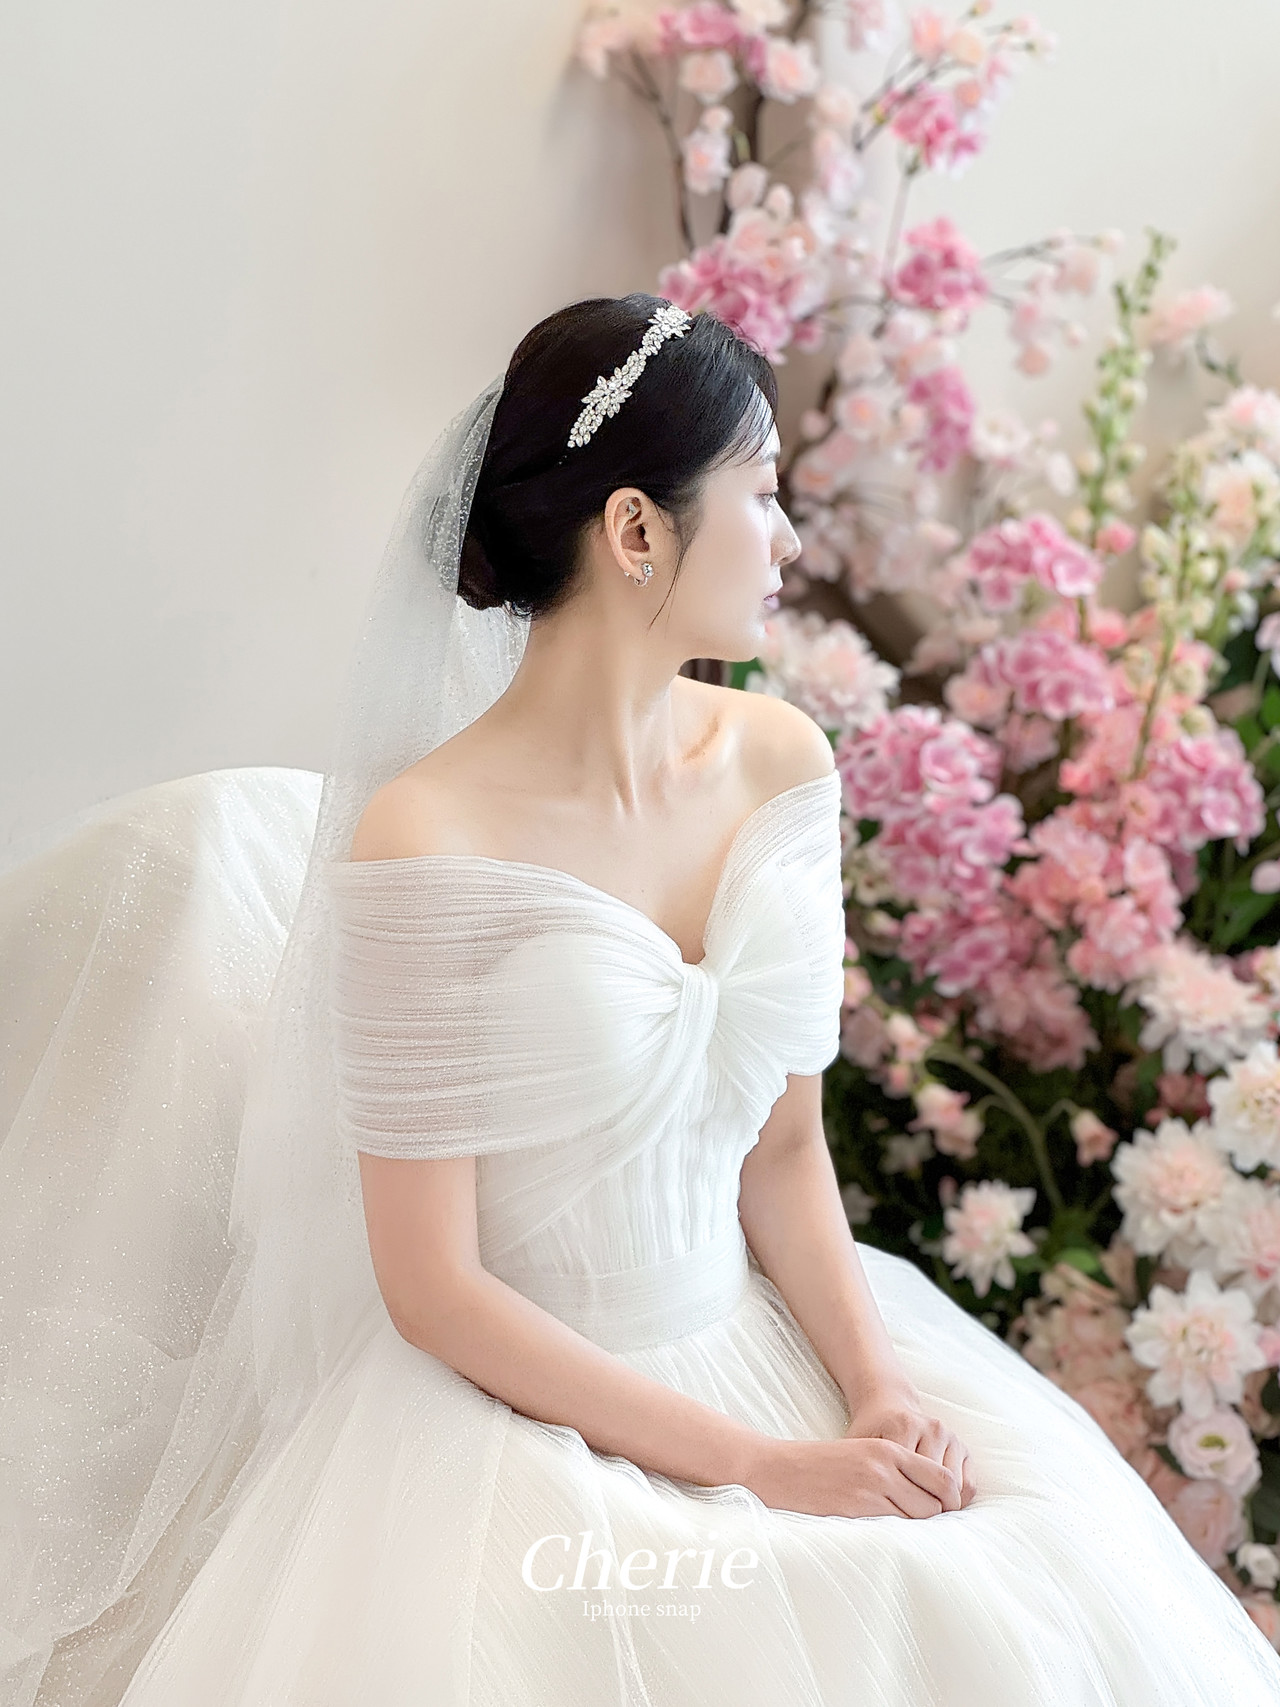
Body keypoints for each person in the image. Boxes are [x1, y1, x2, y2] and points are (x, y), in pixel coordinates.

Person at [4, 294, 1280, 1706]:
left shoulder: (782, 763)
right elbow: (434, 1288)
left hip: (766, 1332)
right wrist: (758, 1467)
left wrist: (878, 1392)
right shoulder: (427, 838)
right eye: (763, 494)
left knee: (1001, 1583)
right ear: (634, 531)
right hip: (520, 1414)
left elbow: (784, 1155)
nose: (789, 542)